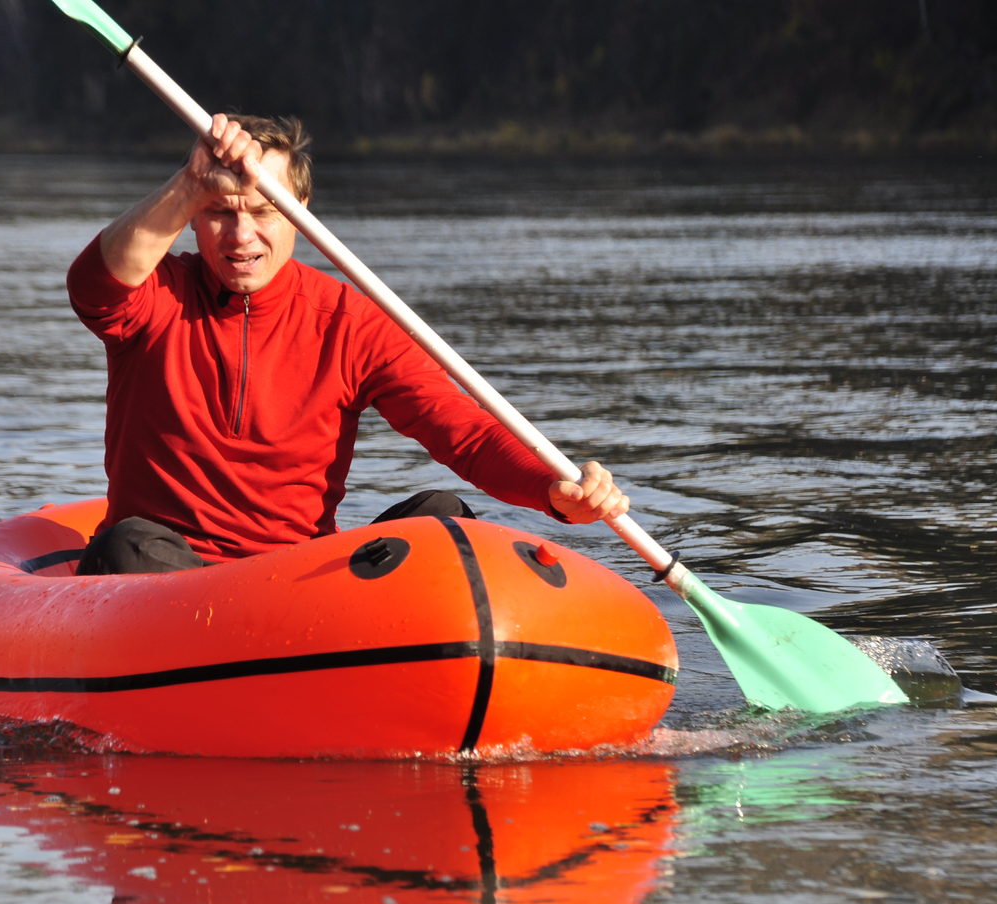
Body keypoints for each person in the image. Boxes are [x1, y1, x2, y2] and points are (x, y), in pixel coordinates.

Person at [68, 112, 629, 575]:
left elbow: (464, 433)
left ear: (300, 214)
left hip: (296, 579)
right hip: (162, 574)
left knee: (443, 518)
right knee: (128, 543)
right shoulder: (154, 295)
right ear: (192, 218)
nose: (242, 238)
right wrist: (189, 185)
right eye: (218, 213)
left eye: (264, 211)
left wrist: (554, 492)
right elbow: (93, 284)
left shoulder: (351, 320)